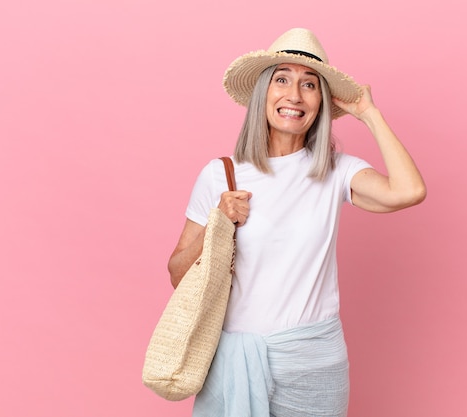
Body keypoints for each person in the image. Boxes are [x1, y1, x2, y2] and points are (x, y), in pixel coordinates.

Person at [167, 28, 426, 417]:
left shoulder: (337, 171)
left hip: (314, 363)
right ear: (262, 94)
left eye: (309, 84)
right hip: (235, 359)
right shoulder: (220, 175)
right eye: (282, 79)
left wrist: (369, 115)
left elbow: (408, 192)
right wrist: (217, 223)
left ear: (321, 101)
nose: (294, 95)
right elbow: (176, 273)